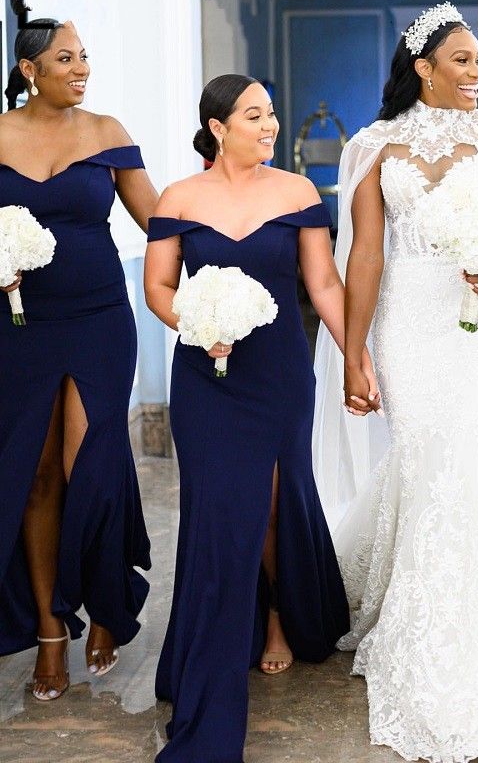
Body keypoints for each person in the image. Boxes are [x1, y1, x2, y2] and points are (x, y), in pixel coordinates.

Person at [312, 3, 478, 762]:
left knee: (473, 451)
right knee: (423, 456)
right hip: (405, 321)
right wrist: (354, 352)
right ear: (423, 66)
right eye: (463, 60)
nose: (477, 73)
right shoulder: (371, 145)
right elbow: (363, 257)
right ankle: (411, 620)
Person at [144, 74, 355, 762]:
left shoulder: (296, 193)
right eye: (255, 117)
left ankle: (274, 618)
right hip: (207, 376)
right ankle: (213, 649)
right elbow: (158, 287)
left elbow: (321, 282)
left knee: (270, 503)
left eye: (271, 116)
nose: (269, 127)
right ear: (217, 126)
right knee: (216, 509)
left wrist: (359, 353)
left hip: (279, 374)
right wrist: (197, 324)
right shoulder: (179, 198)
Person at [0, 18, 156, 701]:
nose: (82, 68)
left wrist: (236, 229)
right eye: (66, 58)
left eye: (86, 56)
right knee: (34, 476)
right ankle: (49, 631)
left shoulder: (107, 132)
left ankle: (106, 605)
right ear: (30, 69)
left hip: (100, 318)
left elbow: (158, 219)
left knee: (89, 466)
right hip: (18, 324)